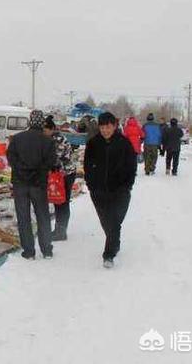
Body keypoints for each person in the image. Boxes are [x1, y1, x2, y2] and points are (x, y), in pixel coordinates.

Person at [84, 112, 136, 268]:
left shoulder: (124, 143)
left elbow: (131, 167)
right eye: (102, 127)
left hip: (120, 191)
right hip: (98, 191)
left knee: (114, 221)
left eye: (108, 127)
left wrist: (127, 185)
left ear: (114, 126)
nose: (105, 130)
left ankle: (108, 255)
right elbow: (87, 166)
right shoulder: (93, 143)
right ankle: (115, 243)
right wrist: (90, 184)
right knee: (106, 222)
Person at [7, 110, 55, 260]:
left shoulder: (17, 138)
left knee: (23, 217)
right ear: (42, 123)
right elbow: (51, 162)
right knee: (43, 217)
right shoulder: (48, 141)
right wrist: (38, 171)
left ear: (30, 121)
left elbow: (10, 158)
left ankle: (28, 252)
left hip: (20, 183)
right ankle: (46, 250)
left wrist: (21, 169)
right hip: (38, 184)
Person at [44, 115, 76, 241]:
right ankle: (59, 230)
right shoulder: (51, 138)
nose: (43, 132)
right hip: (59, 174)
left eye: (45, 130)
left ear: (51, 129)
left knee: (62, 202)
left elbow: (54, 159)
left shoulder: (58, 139)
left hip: (65, 175)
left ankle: (61, 232)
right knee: (59, 202)